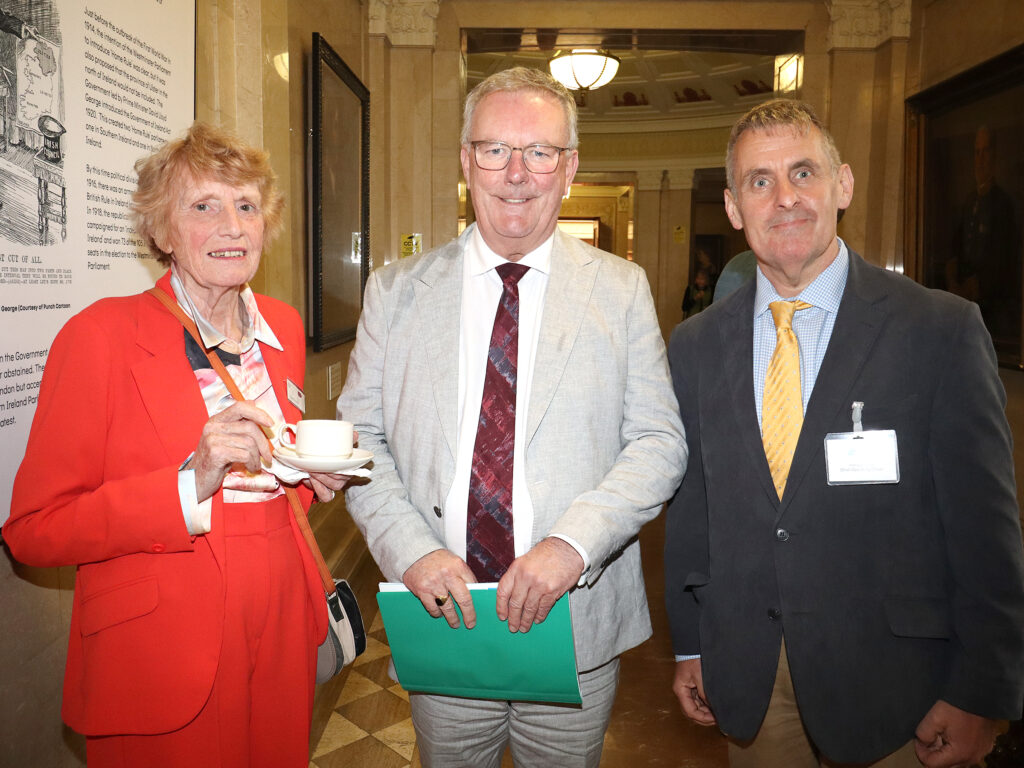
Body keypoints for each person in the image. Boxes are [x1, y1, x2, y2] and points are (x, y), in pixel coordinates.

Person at [338, 66, 686, 768]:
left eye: (541, 152)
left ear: (570, 167)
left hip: (574, 625)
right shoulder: (396, 291)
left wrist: (572, 547)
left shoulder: (620, 290)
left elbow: (658, 442)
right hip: (446, 618)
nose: (518, 174)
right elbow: (359, 442)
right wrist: (415, 552)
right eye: (496, 150)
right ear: (467, 161)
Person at [665, 98, 1024, 768]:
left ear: (844, 185)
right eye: (760, 181)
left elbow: (987, 531)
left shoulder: (939, 330)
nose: (786, 199)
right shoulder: (694, 344)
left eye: (803, 173)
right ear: (735, 206)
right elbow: (692, 511)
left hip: (901, 684)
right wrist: (690, 643)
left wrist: (981, 691)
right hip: (750, 674)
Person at [4, 122, 350, 766]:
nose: (232, 225)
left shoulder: (283, 325)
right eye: (204, 206)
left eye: (246, 206)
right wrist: (189, 484)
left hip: (280, 619)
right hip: (163, 638)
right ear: (161, 233)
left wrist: (307, 474)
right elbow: (33, 529)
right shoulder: (99, 337)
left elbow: (274, 470)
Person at [944, 126, 1021, 357]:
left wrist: (973, 288)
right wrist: (952, 280)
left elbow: (1005, 263)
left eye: (986, 152)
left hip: (993, 312)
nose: (981, 159)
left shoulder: (1003, 204)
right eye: (977, 152)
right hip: (966, 308)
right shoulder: (969, 203)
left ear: (994, 156)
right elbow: (955, 251)